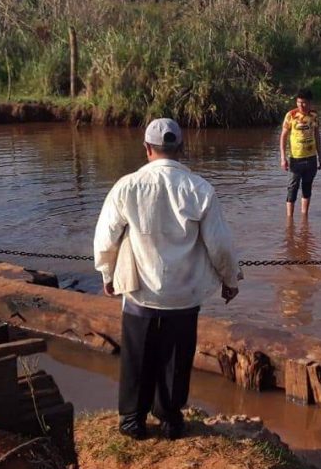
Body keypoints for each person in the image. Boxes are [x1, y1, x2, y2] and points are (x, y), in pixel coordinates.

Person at [94, 118, 242, 441]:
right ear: (181, 149)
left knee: (137, 356)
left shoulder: (127, 186)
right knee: (176, 359)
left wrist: (107, 274)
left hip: (139, 294)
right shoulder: (200, 189)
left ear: (147, 149)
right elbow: (220, 245)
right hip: (184, 296)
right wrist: (230, 279)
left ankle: (133, 420)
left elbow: (105, 239)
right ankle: (171, 419)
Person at [279, 88, 321, 218]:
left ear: (310, 103)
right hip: (295, 158)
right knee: (292, 188)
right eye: (299, 102)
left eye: (304, 103)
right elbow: (283, 136)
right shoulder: (291, 115)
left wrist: (320, 157)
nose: (301, 105)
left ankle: (304, 218)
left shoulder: (314, 116)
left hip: (311, 158)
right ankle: (289, 219)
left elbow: (317, 135)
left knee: (307, 187)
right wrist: (283, 158)